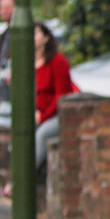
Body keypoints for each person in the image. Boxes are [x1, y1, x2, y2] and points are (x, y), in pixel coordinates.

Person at [34, 21, 75, 170]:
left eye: (35, 33)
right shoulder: (26, 63)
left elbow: (61, 97)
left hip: (57, 116)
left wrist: (42, 117)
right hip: (37, 115)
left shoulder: (58, 61)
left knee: (42, 134)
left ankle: (22, 178)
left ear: (46, 38)